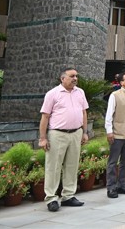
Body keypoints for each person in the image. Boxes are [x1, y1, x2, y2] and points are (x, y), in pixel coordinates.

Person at [38, 67, 89, 212]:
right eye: (72, 76)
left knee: (72, 165)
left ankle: (68, 196)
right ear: (63, 78)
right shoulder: (52, 94)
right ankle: (51, 198)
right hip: (57, 134)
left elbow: (84, 113)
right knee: (53, 166)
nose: (75, 79)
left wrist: (84, 132)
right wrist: (43, 138)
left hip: (76, 133)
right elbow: (45, 116)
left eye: (76, 76)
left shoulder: (80, 92)